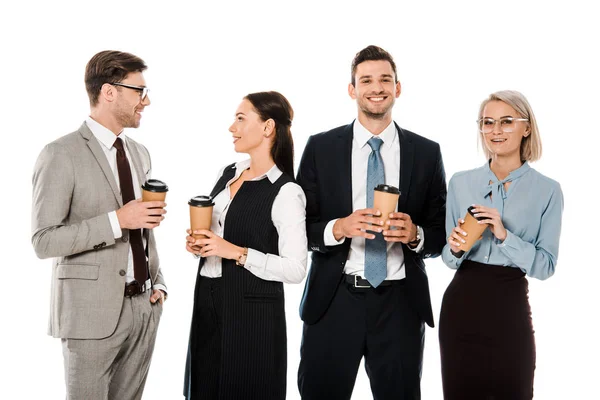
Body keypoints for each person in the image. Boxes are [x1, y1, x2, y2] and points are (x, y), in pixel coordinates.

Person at [296, 45, 447, 400]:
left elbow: (441, 232)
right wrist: (339, 228)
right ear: (352, 89)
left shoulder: (427, 152)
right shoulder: (320, 147)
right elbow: (298, 227)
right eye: (366, 80)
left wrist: (416, 235)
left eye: (385, 80)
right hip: (334, 300)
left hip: (399, 303)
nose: (376, 88)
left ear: (398, 88)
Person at [31, 50, 167, 399]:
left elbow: (144, 231)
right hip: (89, 316)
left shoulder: (140, 153)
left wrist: (158, 283)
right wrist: (117, 221)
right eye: (139, 90)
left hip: (143, 309)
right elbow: (44, 241)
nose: (146, 100)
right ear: (109, 92)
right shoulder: (60, 154)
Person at [439, 90, 564, 399]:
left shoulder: (548, 191)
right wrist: (456, 247)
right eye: (487, 122)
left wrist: (505, 236)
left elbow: (546, 266)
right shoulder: (460, 182)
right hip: (461, 307)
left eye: (506, 121)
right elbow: (448, 257)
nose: (495, 131)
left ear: (527, 128)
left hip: (509, 310)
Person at [183, 91, 307, 400]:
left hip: (252, 320)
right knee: (203, 389)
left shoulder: (286, 192)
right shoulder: (230, 173)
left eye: (240, 118)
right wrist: (200, 244)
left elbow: (296, 269)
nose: (231, 127)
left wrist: (235, 252)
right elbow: (218, 233)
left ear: (267, 128)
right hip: (209, 303)